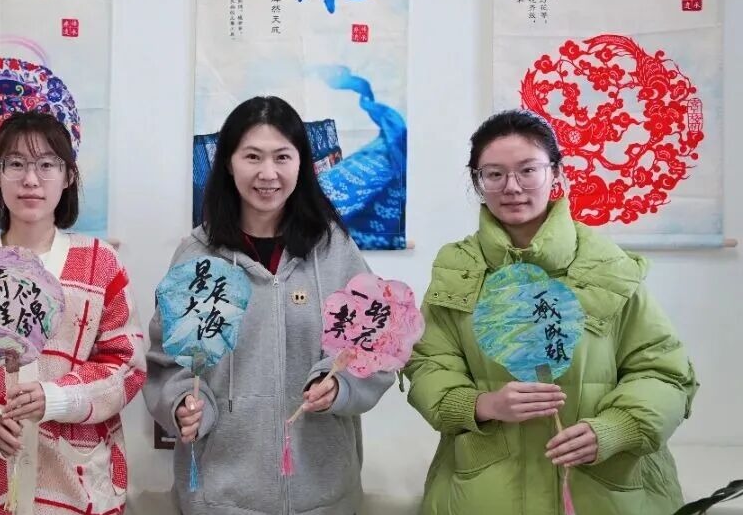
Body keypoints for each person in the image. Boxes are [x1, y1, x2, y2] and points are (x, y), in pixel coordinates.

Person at [405, 109, 698, 514]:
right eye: (494, 174)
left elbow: (664, 372)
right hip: (486, 491)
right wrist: (482, 404)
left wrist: (615, 429)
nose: (512, 187)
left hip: (601, 488)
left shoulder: (606, 266)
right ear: (477, 182)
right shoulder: (459, 269)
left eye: (528, 170)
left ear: (556, 173)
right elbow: (428, 364)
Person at [144, 96, 393, 515]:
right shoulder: (197, 257)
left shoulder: (335, 250)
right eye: (252, 157)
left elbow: (372, 346)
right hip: (219, 500)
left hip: (325, 498)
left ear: (302, 163)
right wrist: (181, 403)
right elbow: (168, 363)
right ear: (228, 163)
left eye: (282, 157)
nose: (268, 173)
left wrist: (340, 386)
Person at [0, 110, 146, 515]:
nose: (31, 179)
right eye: (16, 164)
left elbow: (126, 364)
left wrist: (58, 397)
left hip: (76, 489)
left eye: (47, 164)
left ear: (68, 176)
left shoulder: (100, 263)